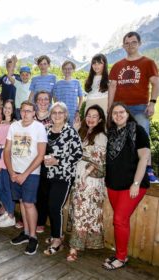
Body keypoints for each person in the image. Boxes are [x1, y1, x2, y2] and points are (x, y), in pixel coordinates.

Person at [102, 102, 150, 270]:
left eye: (121, 112)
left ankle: (121, 258)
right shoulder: (112, 133)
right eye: (114, 113)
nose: (118, 115)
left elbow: (144, 158)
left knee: (119, 220)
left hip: (132, 185)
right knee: (121, 221)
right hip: (113, 185)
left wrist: (136, 183)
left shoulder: (138, 130)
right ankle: (120, 254)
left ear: (127, 113)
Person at [108, 31, 159, 183]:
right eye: (127, 43)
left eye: (134, 42)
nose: (130, 45)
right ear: (123, 45)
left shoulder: (148, 62)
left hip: (139, 107)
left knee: (142, 135)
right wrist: (110, 109)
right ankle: (125, 169)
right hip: (120, 109)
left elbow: (156, 83)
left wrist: (152, 103)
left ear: (139, 43)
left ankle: (148, 169)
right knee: (120, 138)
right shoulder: (117, 66)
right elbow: (112, 88)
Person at [5, 101, 47, 255]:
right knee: (22, 202)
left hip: (31, 173)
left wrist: (25, 174)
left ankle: (33, 237)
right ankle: (26, 232)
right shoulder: (14, 126)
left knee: (29, 203)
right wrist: (11, 172)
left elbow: (41, 155)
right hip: (15, 171)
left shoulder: (39, 127)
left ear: (34, 113)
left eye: (29, 111)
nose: (25, 113)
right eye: (23, 111)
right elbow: (7, 150)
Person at [67, 105, 107, 262]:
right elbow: (71, 150)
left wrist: (85, 176)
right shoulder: (83, 132)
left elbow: (98, 160)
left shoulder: (101, 136)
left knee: (82, 212)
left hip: (90, 180)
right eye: (88, 115)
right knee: (78, 211)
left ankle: (74, 248)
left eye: (94, 116)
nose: (90, 118)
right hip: (78, 177)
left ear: (100, 119)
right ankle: (78, 244)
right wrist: (75, 130)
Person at [44, 102, 83, 256]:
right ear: (50, 115)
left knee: (55, 207)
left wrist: (58, 161)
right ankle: (57, 234)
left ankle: (57, 240)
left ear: (66, 115)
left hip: (63, 176)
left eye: (61, 112)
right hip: (46, 175)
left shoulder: (71, 132)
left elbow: (78, 155)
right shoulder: (46, 131)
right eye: (54, 112)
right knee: (49, 206)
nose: (57, 115)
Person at [0, 100, 16, 227]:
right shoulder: (1, 123)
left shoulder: (15, 125)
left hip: (8, 156)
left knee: (7, 188)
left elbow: (10, 146)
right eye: (5, 107)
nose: (7, 110)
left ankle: (11, 215)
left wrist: (2, 161)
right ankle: (7, 210)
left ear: (13, 110)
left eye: (9, 108)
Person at [34, 90, 52, 234]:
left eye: (46, 99)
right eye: (40, 99)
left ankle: (40, 220)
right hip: (31, 157)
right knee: (31, 188)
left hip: (46, 158)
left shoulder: (54, 117)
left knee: (43, 190)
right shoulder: (31, 117)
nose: (43, 101)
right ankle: (28, 217)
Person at [52, 61, 83, 126]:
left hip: (73, 113)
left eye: (69, 69)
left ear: (73, 70)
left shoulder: (76, 83)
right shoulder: (58, 84)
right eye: (65, 69)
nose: (67, 70)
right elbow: (54, 98)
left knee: (73, 132)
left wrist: (78, 110)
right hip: (61, 114)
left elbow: (81, 97)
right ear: (62, 70)